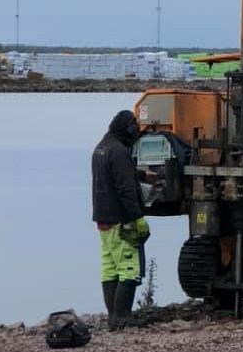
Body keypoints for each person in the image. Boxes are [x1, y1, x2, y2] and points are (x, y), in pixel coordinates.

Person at [92, 110, 150, 330]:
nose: (137, 128)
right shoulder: (119, 151)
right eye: (134, 124)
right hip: (121, 220)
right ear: (126, 127)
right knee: (129, 268)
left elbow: (116, 174)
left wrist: (142, 175)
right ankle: (122, 318)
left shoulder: (102, 147)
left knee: (110, 268)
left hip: (103, 218)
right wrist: (138, 218)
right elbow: (125, 189)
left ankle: (113, 318)